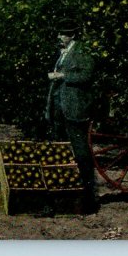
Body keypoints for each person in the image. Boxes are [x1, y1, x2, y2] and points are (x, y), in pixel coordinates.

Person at [45, 20, 98, 213]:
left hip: (75, 109)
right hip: (59, 109)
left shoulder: (82, 51)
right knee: (61, 151)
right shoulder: (63, 53)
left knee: (81, 153)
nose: (60, 37)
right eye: (59, 34)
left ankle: (88, 200)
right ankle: (65, 197)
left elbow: (87, 75)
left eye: (63, 34)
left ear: (73, 35)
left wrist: (63, 76)